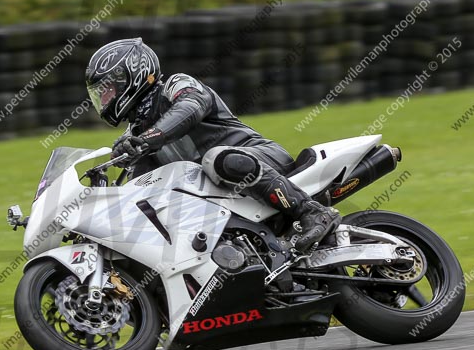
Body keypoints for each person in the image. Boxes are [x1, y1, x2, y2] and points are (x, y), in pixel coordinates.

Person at [85, 37, 340, 253]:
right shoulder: (137, 134)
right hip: (223, 193)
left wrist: (147, 140)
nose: (104, 100)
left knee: (216, 159)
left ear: (131, 75)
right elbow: (140, 192)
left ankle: (311, 211)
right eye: (100, 94)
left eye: (108, 90)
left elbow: (192, 106)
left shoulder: (175, 85)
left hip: (259, 158)